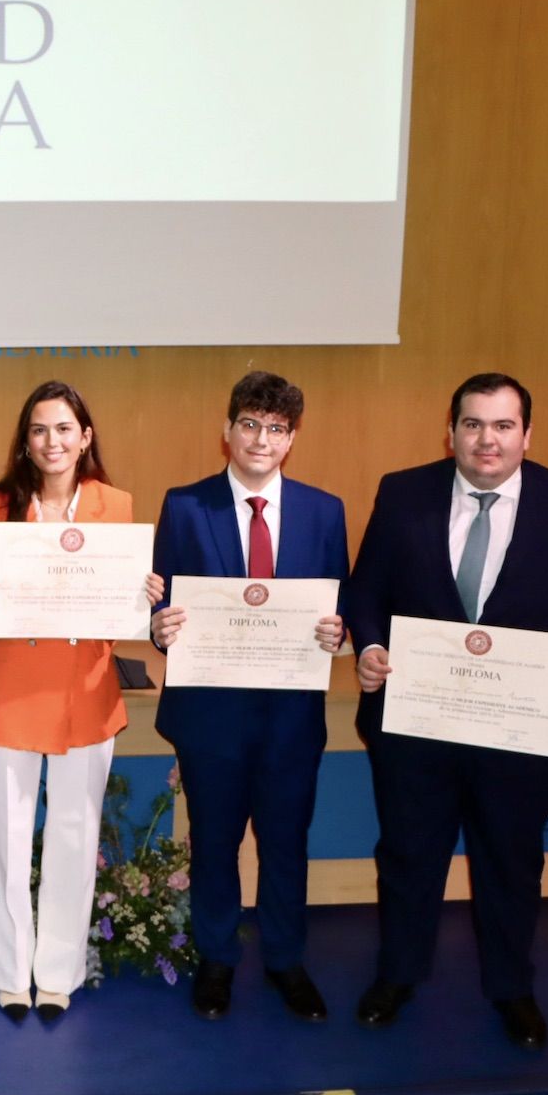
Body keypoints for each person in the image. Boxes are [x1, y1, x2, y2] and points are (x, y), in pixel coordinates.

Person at [344, 373, 548, 1050]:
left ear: (527, 434)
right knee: (409, 857)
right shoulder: (403, 491)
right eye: (473, 424)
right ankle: (398, 975)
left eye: (502, 425)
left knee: (510, 862)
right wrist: (374, 645)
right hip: (419, 723)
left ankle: (511, 987)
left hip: (520, 727)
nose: (487, 439)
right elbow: (365, 590)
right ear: (451, 432)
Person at [148, 372, 348, 1023]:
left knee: (287, 841)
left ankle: (287, 960)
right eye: (251, 424)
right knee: (214, 841)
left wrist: (340, 632)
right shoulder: (185, 506)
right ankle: (216, 958)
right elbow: (161, 605)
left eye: (278, 428)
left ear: (292, 439)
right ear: (227, 430)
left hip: (291, 714)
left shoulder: (326, 510)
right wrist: (159, 625)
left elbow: (341, 606)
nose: (263, 439)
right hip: (213, 715)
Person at [0, 381, 132, 1023]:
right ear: (25, 441)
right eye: (40, 430)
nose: (52, 441)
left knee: (73, 833)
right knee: (5, 840)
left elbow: (119, 611)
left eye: (65, 429)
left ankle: (58, 974)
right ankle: (10, 973)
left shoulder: (115, 506)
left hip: (85, 692)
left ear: (84, 437)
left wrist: (139, 593)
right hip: (12, 690)